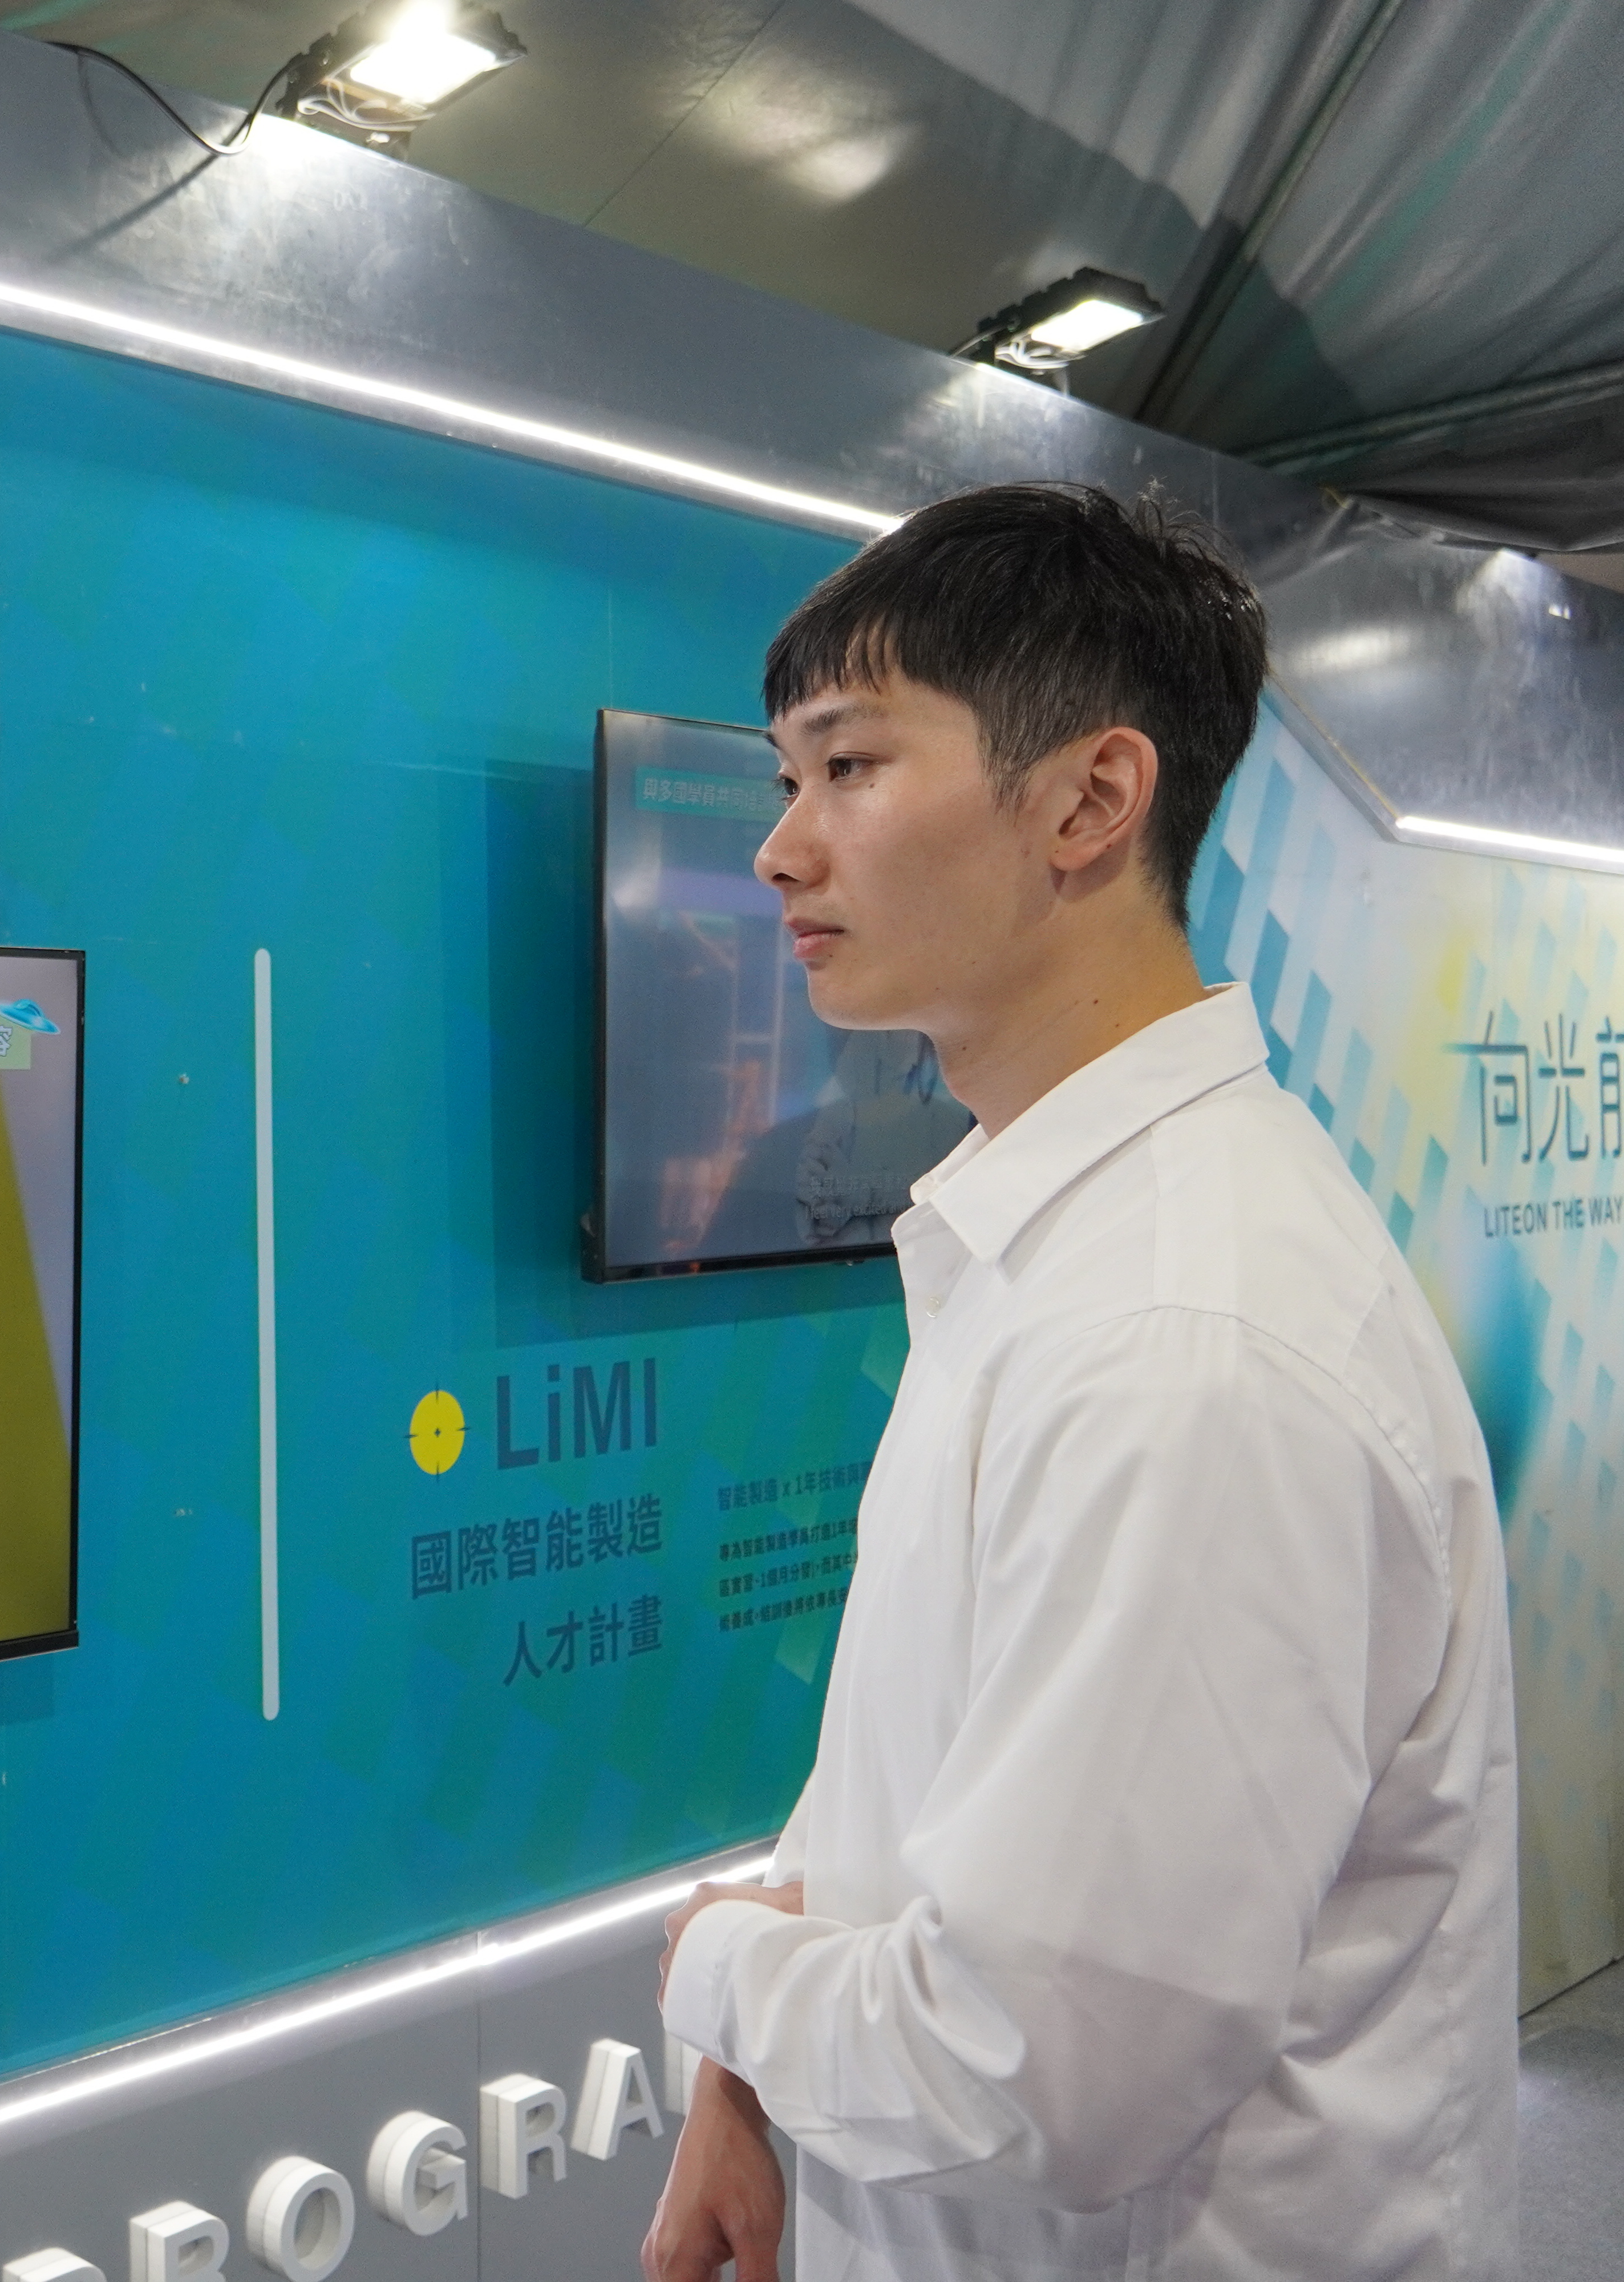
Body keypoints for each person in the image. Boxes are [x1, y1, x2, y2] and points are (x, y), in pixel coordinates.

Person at [645, 485, 1517, 2281]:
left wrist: (717, 1962)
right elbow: (924, 1799)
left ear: (1091, 803)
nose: (781, 851)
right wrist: (747, 2069)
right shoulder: (1071, 1258)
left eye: (851, 768)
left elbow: (1044, 2071)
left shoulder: (1178, 1337)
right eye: (784, 780)